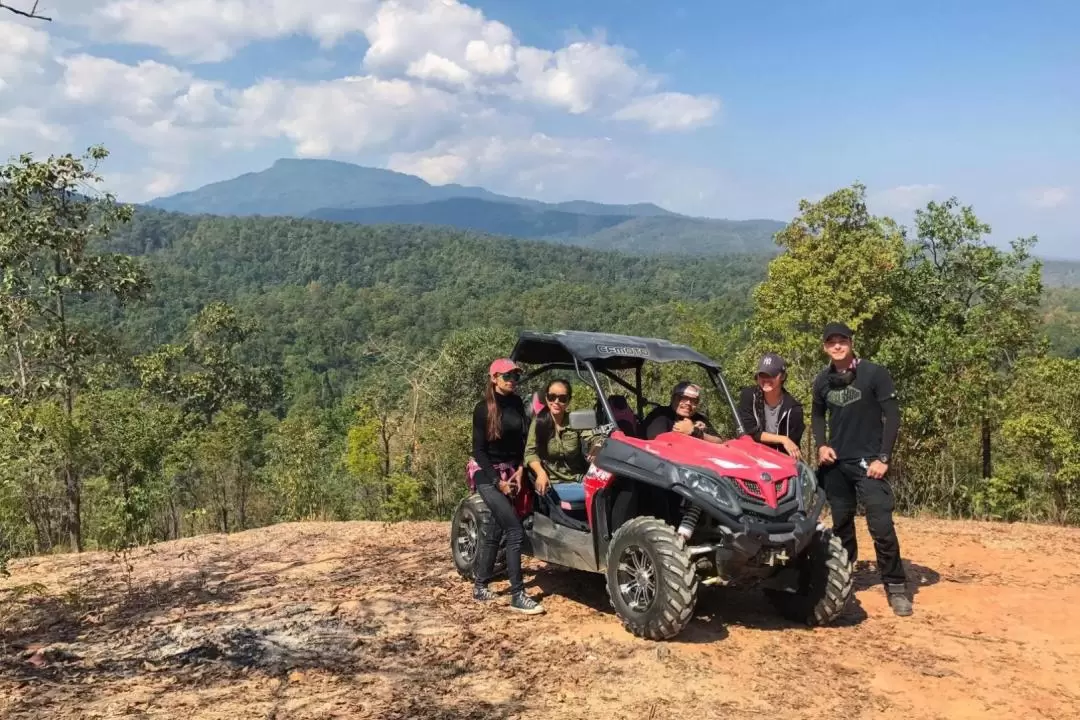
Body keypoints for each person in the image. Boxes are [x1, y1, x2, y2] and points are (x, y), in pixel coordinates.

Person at [811, 322, 912, 617]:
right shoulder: (822, 380)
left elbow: (892, 416)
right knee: (842, 525)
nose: (837, 345)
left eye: (842, 340)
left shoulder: (874, 374)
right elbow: (817, 415)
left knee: (881, 525)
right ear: (825, 347)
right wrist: (821, 444)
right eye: (831, 342)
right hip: (837, 464)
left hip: (870, 463)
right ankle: (845, 577)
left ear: (851, 342)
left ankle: (895, 586)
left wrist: (884, 457)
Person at [468, 357, 544, 615]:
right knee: (514, 530)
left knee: (498, 528)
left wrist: (521, 468)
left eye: (516, 376)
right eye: (507, 376)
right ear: (494, 379)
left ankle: (480, 585)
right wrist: (496, 482)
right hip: (486, 472)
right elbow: (479, 451)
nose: (512, 380)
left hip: (512, 470)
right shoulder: (483, 409)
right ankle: (517, 595)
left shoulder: (515, 404)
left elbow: (521, 442)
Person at [524, 379, 601, 494]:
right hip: (551, 482)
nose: (556, 402)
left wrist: (597, 445)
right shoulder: (538, 423)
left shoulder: (575, 421)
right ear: (546, 398)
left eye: (562, 399)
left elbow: (594, 437)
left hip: (577, 479)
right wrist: (540, 473)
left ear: (568, 401)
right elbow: (530, 453)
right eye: (552, 397)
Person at [737, 352, 805, 458]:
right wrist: (783, 439)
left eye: (771, 375)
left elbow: (792, 446)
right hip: (752, 458)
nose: (766, 379)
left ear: (782, 377)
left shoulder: (794, 409)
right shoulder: (748, 396)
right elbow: (749, 431)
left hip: (780, 461)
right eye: (762, 375)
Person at [641, 381, 724, 443]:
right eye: (683, 398)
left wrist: (696, 432)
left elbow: (719, 442)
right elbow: (658, 444)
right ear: (673, 399)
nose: (688, 403)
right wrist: (685, 432)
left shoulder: (699, 418)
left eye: (694, 401)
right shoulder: (660, 415)